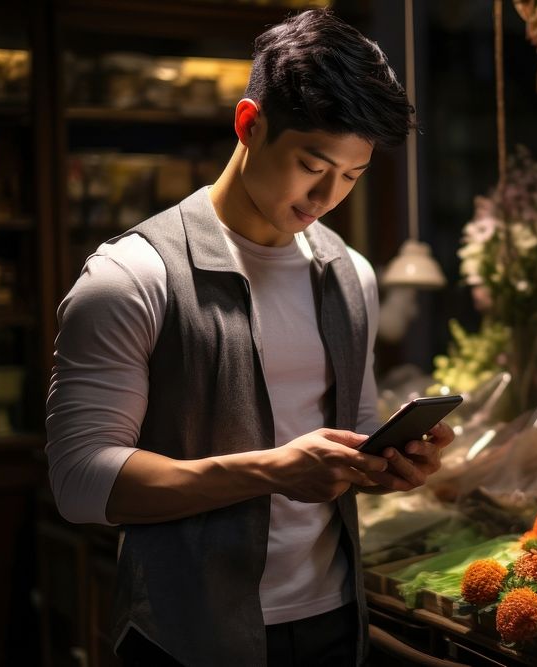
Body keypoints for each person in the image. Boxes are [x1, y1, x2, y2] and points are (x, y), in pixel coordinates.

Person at [45, 9, 454, 667]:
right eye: (312, 164)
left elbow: (355, 429)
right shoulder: (130, 276)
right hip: (184, 635)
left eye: (352, 175)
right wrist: (272, 469)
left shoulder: (351, 274)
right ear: (248, 123)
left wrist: (390, 463)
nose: (327, 195)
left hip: (333, 623)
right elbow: (80, 479)